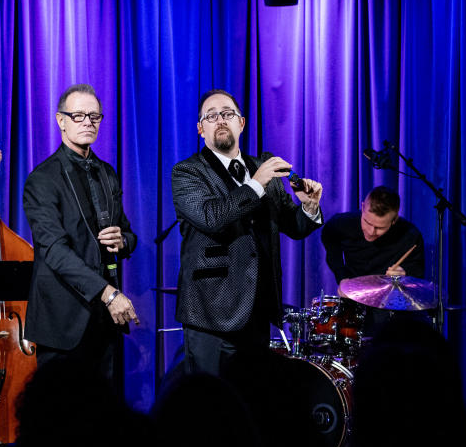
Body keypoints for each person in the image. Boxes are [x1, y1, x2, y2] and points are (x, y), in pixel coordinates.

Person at [171, 89, 323, 377]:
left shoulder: (261, 167)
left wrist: (309, 207)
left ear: (241, 123)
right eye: (212, 116)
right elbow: (212, 217)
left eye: (227, 114)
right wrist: (256, 184)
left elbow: (293, 226)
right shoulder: (187, 172)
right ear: (201, 129)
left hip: (258, 310)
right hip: (211, 313)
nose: (221, 120)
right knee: (211, 407)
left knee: (252, 406)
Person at [22, 83, 138, 383]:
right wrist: (109, 294)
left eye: (94, 116)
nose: (88, 122)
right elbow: (54, 251)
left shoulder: (106, 172)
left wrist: (122, 240)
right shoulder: (42, 179)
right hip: (62, 321)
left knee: (104, 417)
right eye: (78, 116)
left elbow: (127, 232)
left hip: (103, 320)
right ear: (61, 121)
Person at [321, 186, 426, 331]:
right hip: (354, 303)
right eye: (367, 222)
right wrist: (342, 277)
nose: (371, 232)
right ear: (362, 207)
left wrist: (404, 276)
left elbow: (418, 280)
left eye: (379, 227)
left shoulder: (411, 236)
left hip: (391, 312)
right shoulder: (342, 224)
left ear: (394, 220)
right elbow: (329, 238)